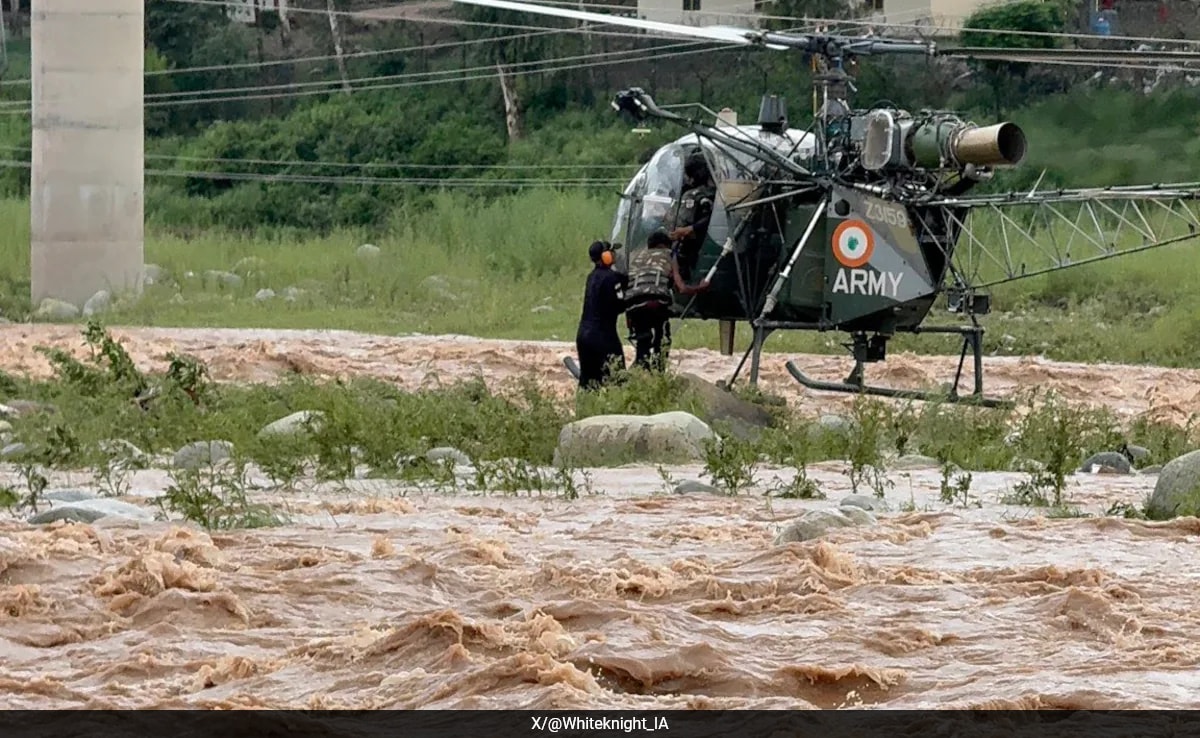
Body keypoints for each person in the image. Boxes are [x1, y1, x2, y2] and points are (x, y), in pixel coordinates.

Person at [624, 229, 711, 372]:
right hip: (656, 302)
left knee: (642, 342)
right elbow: (681, 288)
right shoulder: (669, 254)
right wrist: (700, 288)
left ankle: (639, 373)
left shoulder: (635, 256)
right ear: (665, 245)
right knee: (663, 337)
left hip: (633, 305)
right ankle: (659, 371)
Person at [575, 240, 628, 390]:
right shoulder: (612, 278)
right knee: (617, 377)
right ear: (605, 256)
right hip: (603, 337)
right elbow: (620, 305)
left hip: (583, 336)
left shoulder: (591, 277)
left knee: (588, 383)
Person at [668, 154, 716, 282]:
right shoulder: (711, 192)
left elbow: (709, 216)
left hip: (693, 244)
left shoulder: (695, 195)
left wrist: (689, 229)